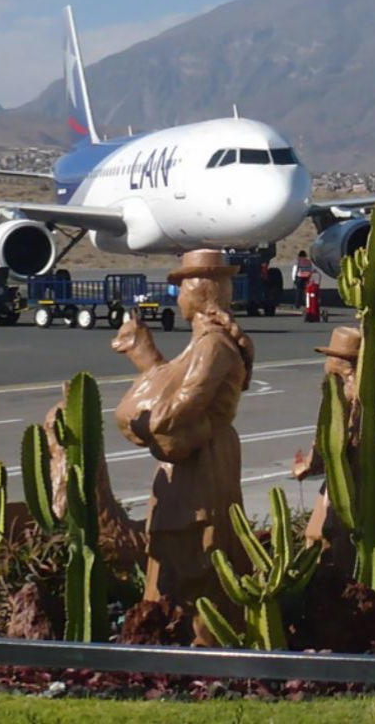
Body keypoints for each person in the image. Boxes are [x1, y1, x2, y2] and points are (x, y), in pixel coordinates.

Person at [112, 249, 252, 620]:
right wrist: (145, 356)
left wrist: (151, 423)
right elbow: (176, 383)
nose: (178, 297)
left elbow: (190, 398)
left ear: (199, 293)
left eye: (182, 289)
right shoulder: (204, 342)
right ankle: (171, 620)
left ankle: (199, 626)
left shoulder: (212, 346)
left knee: (196, 543)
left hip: (203, 458)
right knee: (176, 539)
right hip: (192, 455)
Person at [292, 327, 375, 569]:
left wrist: (304, 467)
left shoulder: (341, 399)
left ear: (342, 363)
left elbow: (328, 447)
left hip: (348, 486)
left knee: (322, 539)